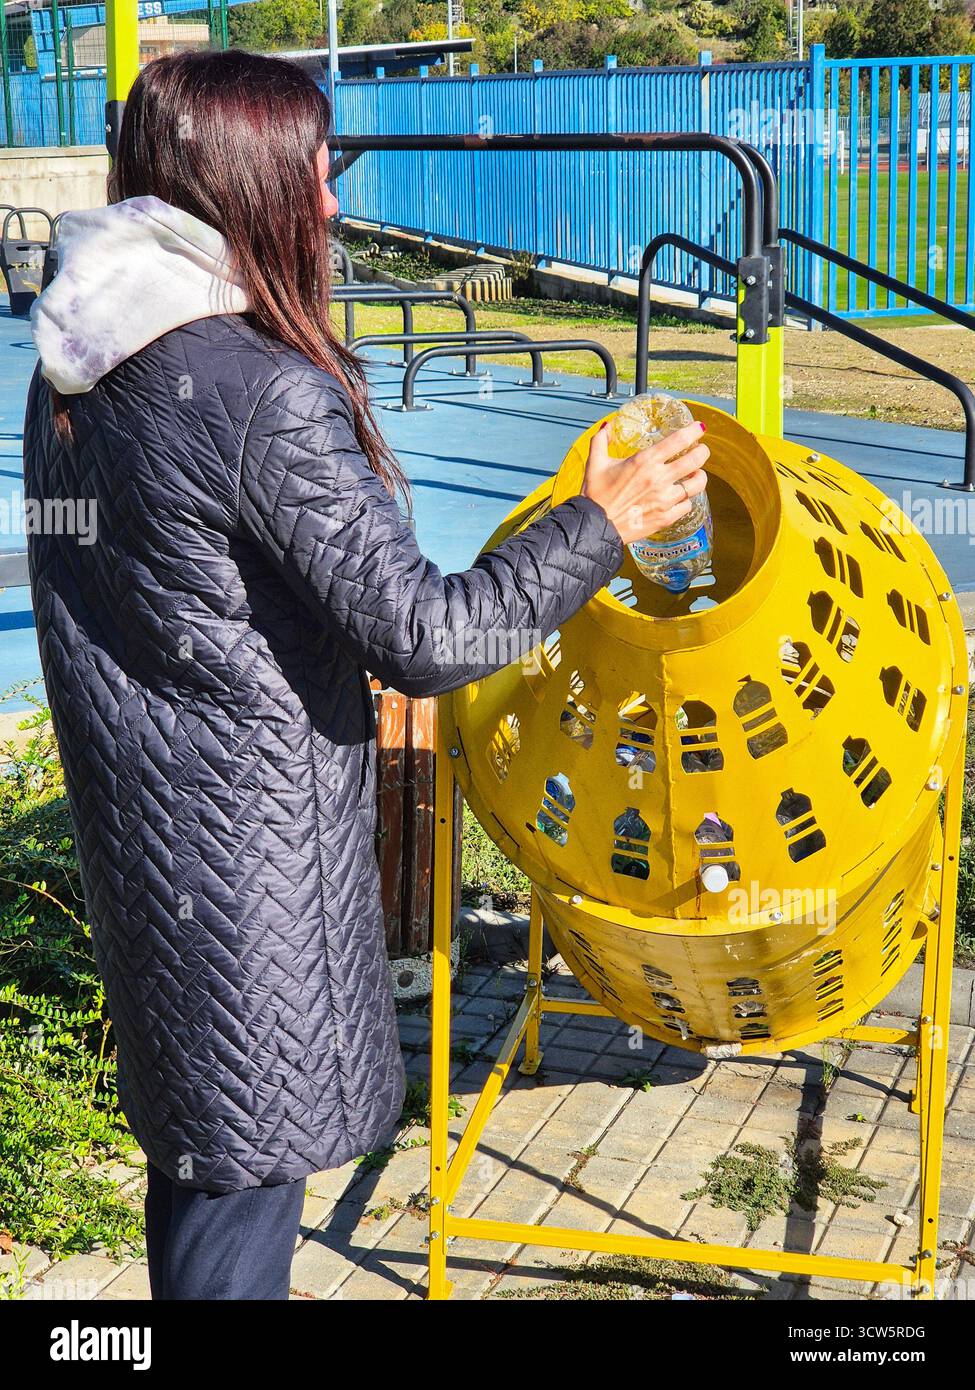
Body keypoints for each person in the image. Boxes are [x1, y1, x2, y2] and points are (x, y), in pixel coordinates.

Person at [23, 48, 709, 1300]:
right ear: (244, 186)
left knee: (206, 1164)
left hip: (148, 844)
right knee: (243, 1209)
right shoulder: (256, 391)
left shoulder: (78, 355)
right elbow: (430, 639)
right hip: (246, 872)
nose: (332, 204)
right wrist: (602, 523)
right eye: (313, 174)